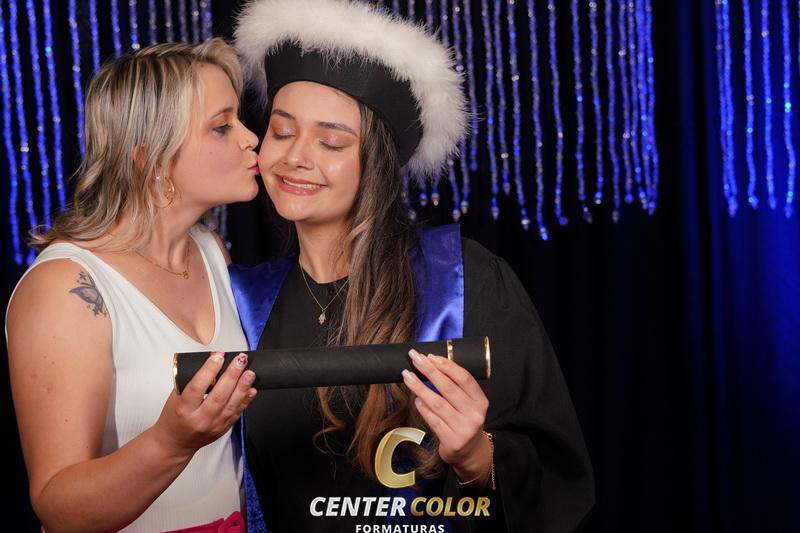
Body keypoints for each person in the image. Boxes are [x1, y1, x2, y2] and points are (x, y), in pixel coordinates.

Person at [232, 0, 595, 531]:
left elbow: (557, 481)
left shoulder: (463, 281)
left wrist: (476, 454)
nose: (295, 157)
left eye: (331, 141)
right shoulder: (240, 300)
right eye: (282, 132)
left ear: (377, 164)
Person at [5, 39, 260, 532]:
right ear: (152, 158)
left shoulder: (211, 251)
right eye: (222, 126)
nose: (251, 139)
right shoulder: (66, 287)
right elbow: (58, 506)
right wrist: (171, 442)